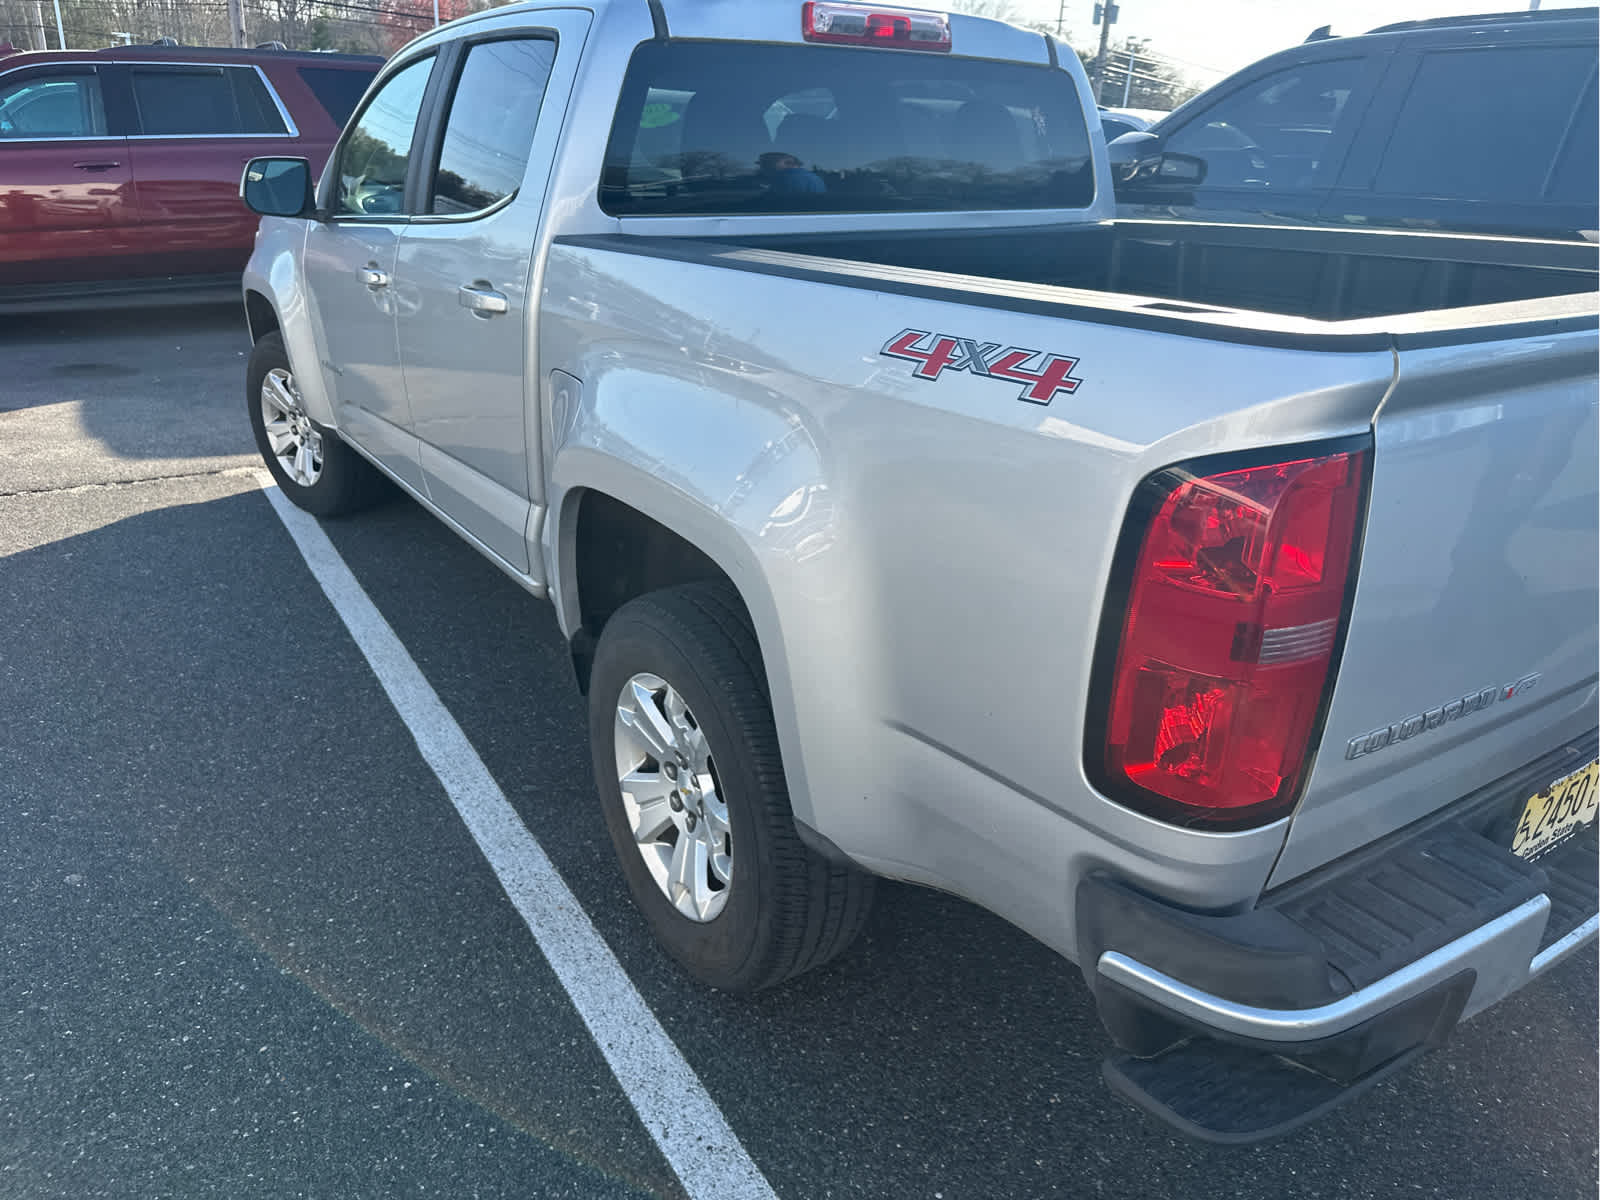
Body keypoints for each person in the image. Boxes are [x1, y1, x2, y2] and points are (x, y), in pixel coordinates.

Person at [758, 151, 826, 195]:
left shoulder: (782, 180)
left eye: (767, 163)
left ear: (788, 163)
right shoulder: (815, 178)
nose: (763, 168)